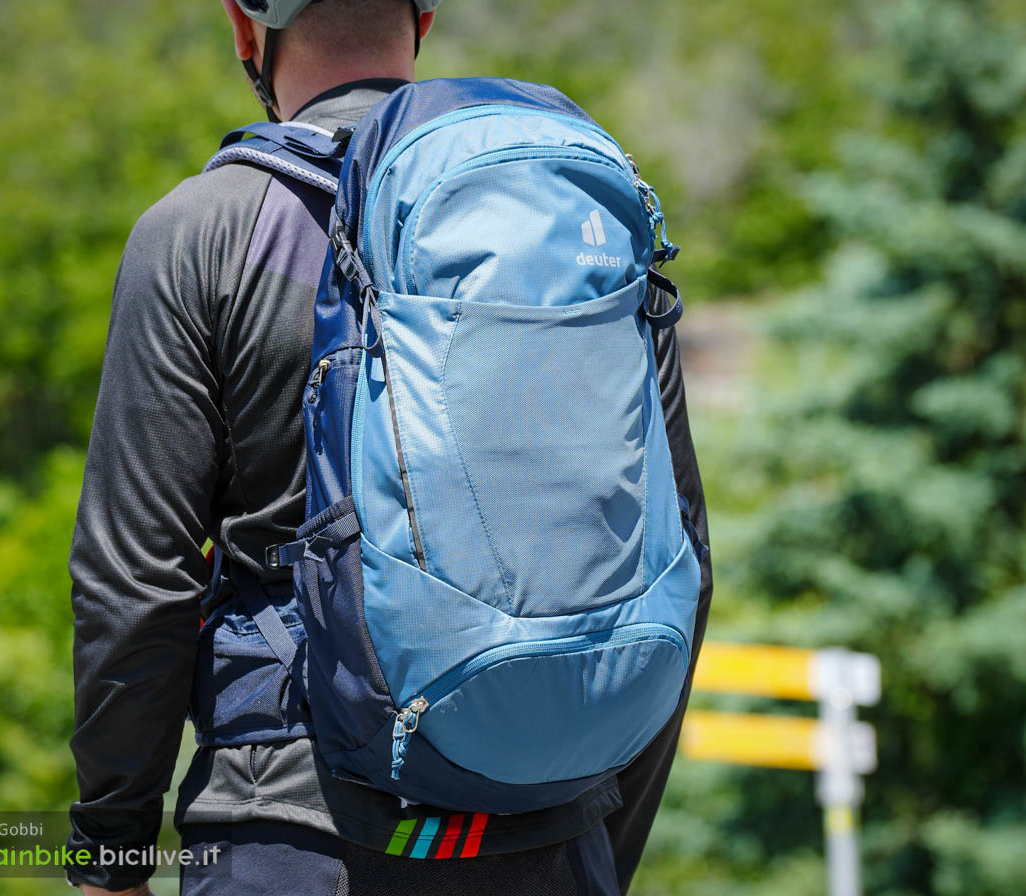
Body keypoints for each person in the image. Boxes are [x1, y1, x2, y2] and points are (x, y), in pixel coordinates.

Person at [64, 1, 714, 894]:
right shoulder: (569, 222)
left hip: (291, 827)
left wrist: (112, 854)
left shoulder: (203, 231)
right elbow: (682, 549)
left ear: (245, 28)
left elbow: (136, 584)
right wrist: (588, 818)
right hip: (552, 830)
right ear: (424, 18)